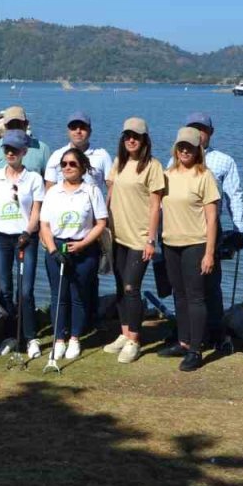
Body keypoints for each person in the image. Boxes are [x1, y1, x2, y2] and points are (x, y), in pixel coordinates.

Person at [180, 112, 243, 349]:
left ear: (211, 132)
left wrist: (239, 229)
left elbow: (234, 196)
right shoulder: (177, 159)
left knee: (210, 283)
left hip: (209, 228)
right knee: (184, 284)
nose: (198, 134)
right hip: (181, 227)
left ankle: (216, 333)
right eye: (193, 128)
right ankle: (185, 333)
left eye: (203, 129)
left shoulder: (223, 161)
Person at [103, 118, 165, 366]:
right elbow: (110, 195)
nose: (131, 140)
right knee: (120, 286)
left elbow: (155, 206)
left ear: (144, 140)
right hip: (117, 235)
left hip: (140, 238)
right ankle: (125, 332)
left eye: (136, 136)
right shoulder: (119, 162)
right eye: (127, 135)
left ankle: (135, 340)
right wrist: (103, 225)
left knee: (132, 287)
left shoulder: (153, 166)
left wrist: (151, 239)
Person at [160, 127, 220, 372]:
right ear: (176, 149)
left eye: (190, 147)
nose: (185, 151)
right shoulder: (165, 175)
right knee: (179, 294)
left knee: (196, 297)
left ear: (198, 150)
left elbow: (212, 218)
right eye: (181, 146)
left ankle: (196, 349)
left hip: (195, 243)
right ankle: (183, 341)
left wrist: (209, 252)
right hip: (170, 243)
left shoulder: (204, 176)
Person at [39, 147, 108, 360]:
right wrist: (53, 250)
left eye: (72, 164)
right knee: (59, 296)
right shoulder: (53, 192)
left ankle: (75, 338)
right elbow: (44, 225)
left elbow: (101, 223)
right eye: (64, 164)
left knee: (78, 296)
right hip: (57, 247)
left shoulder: (91, 191)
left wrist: (83, 244)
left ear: (82, 167)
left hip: (84, 248)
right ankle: (59, 339)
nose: (67, 168)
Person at [0, 129, 46, 358]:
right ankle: (10, 335)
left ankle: (30, 337)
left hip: (26, 239)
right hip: (0, 237)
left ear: (24, 152)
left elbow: (36, 211)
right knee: (4, 289)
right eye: (7, 149)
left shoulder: (34, 179)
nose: (10, 153)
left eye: (15, 150)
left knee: (25, 290)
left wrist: (28, 231)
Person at [43, 110, 114, 195]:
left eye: (82, 127)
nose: (78, 131)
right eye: (74, 128)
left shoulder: (103, 155)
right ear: (68, 131)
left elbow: (112, 189)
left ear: (90, 131)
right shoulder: (56, 156)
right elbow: (49, 190)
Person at [0, 106, 51, 183]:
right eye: (11, 125)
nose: (15, 128)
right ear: (5, 126)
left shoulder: (42, 149)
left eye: (18, 124)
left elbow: (49, 180)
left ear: (26, 124)